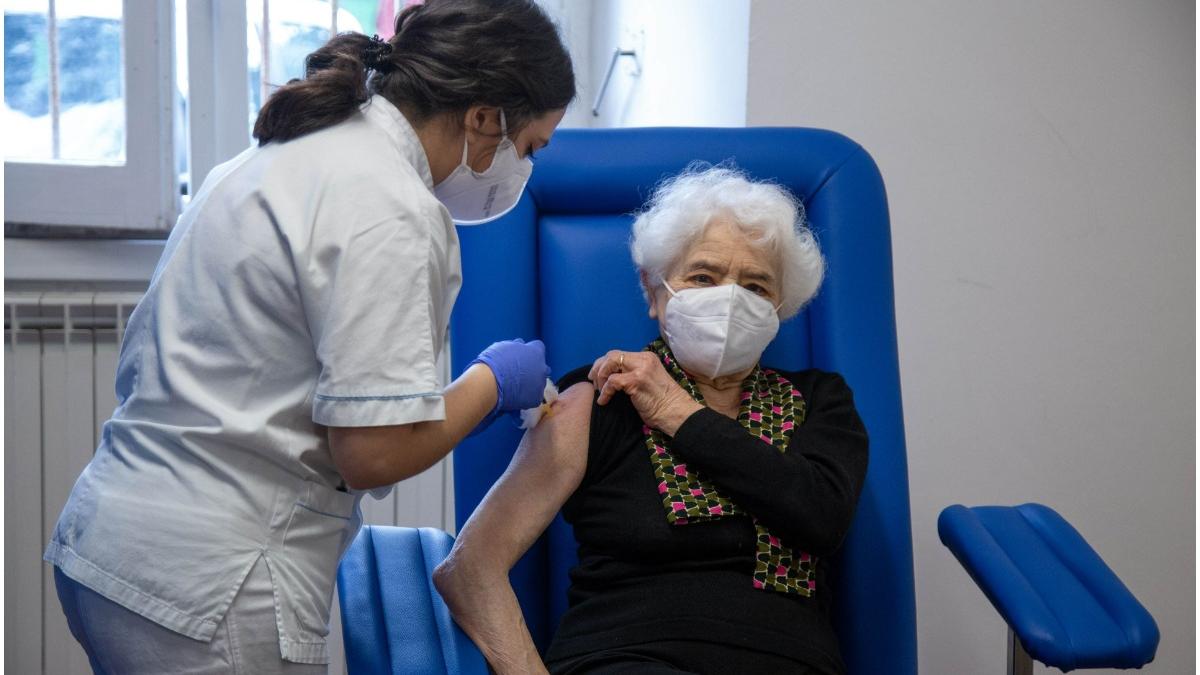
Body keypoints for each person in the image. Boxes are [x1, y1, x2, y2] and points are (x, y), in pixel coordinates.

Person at [43, 1, 574, 672]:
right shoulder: (391, 207)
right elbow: (372, 453)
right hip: (211, 586)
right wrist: (491, 383)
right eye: (528, 147)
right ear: (483, 117)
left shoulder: (276, 156)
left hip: (111, 544)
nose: (521, 171)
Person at [434, 165, 870, 675]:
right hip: (630, 659)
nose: (730, 300)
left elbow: (819, 518)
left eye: (756, 286)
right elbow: (469, 567)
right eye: (703, 277)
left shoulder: (819, 401)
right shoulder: (600, 398)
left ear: (781, 306)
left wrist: (675, 409)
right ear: (653, 291)